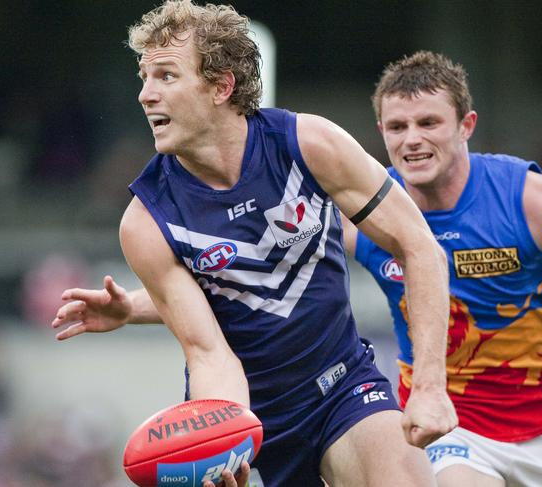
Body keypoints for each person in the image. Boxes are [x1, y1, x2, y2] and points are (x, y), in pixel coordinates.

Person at [52, 2, 457, 487]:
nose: (145, 95)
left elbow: (419, 247)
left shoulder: (309, 144)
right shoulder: (146, 222)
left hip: (342, 388)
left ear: (221, 86)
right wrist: (226, 437)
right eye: (144, 76)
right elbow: (209, 353)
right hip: (249, 417)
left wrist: (431, 386)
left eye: (165, 75)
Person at [340, 51, 542, 486]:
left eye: (428, 123)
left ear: (466, 126)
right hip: (448, 425)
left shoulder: (527, 198)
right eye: (398, 127)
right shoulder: (368, 212)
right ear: (382, 132)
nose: (412, 140)